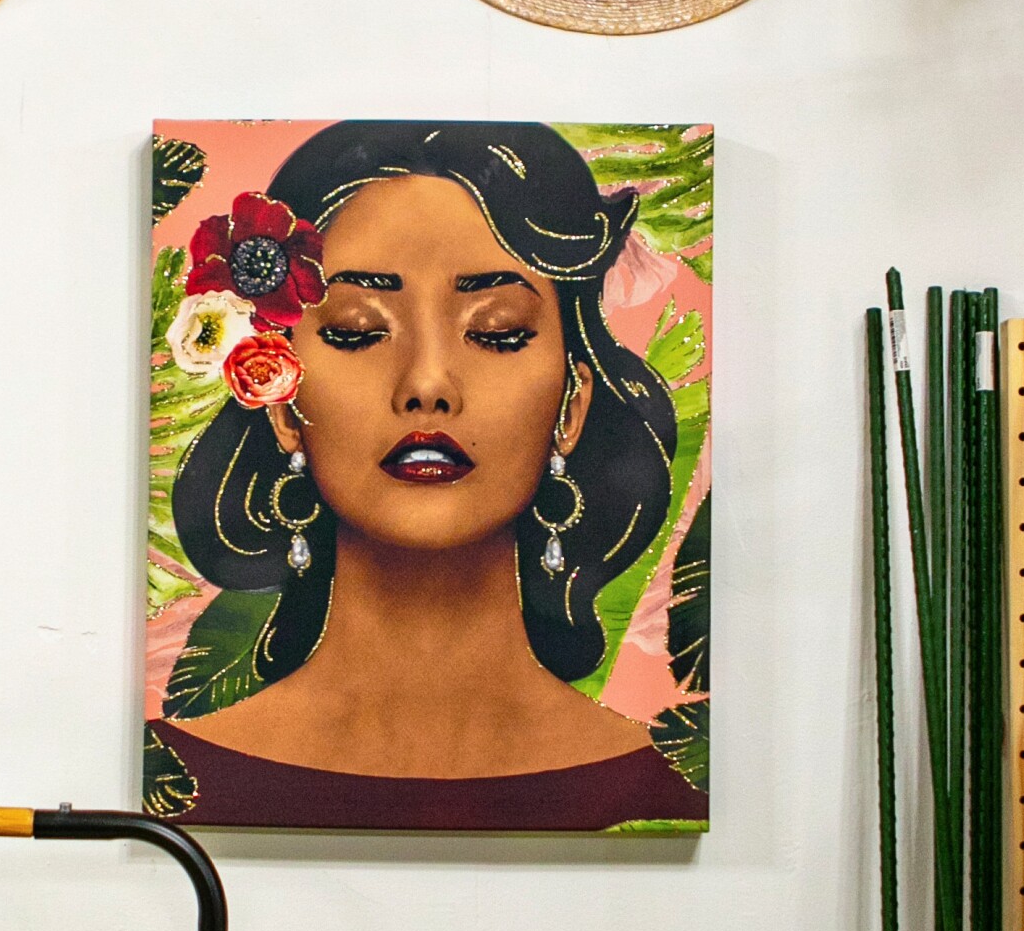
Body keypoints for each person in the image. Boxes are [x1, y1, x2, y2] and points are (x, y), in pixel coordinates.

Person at [149, 121, 705, 832]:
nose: (428, 385)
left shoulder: (665, 796)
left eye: (497, 330)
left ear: (574, 404)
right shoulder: (174, 793)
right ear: (280, 403)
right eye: (356, 329)